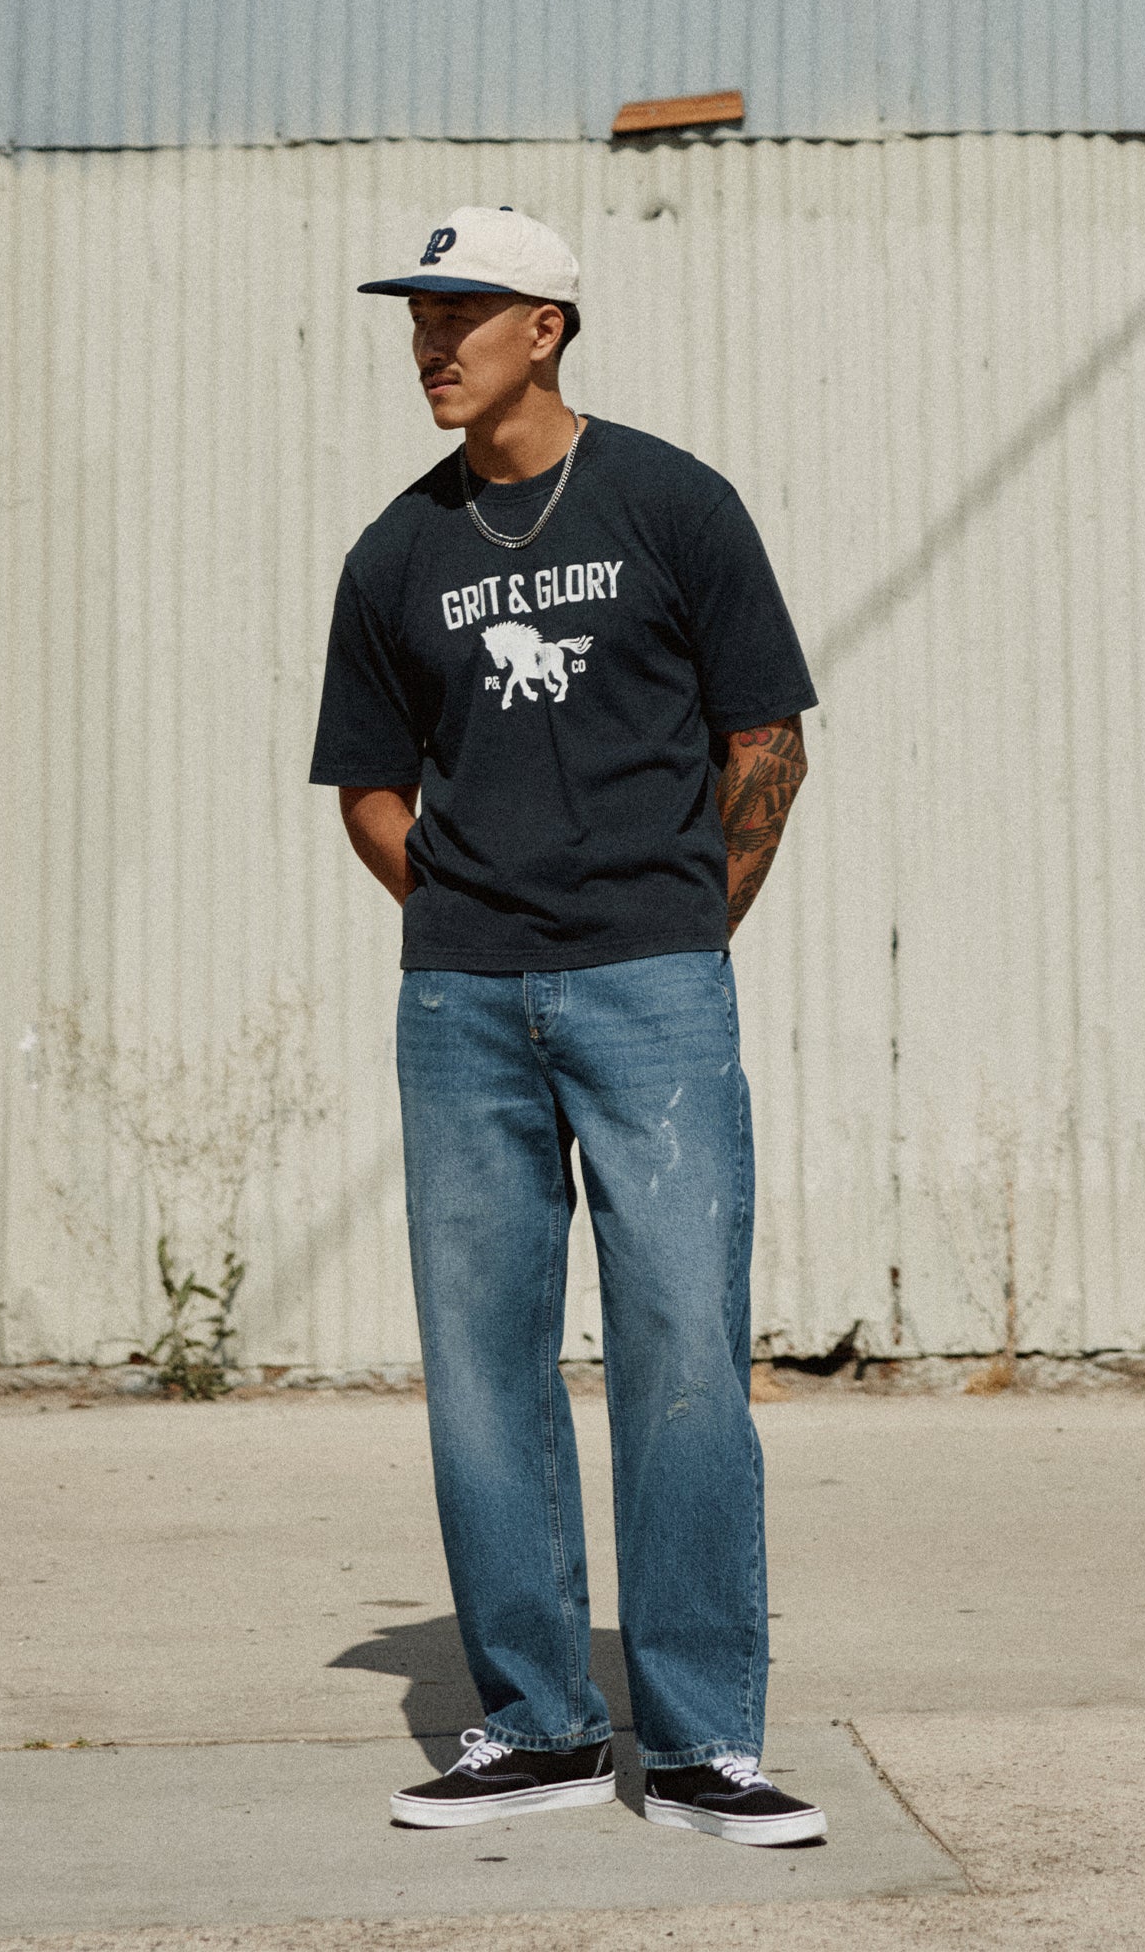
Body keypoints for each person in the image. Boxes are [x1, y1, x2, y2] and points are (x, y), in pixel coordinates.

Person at [310, 204, 824, 1848]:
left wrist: (671, 932)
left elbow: (769, 746)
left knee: (680, 1353)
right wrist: (472, 924)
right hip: (460, 1005)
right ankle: (533, 1725)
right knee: (481, 1371)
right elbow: (371, 789)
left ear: (548, 325)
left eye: (463, 313)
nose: (430, 342)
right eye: (416, 316)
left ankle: (698, 1748)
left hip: (652, 989)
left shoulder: (675, 504)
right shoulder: (396, 553)